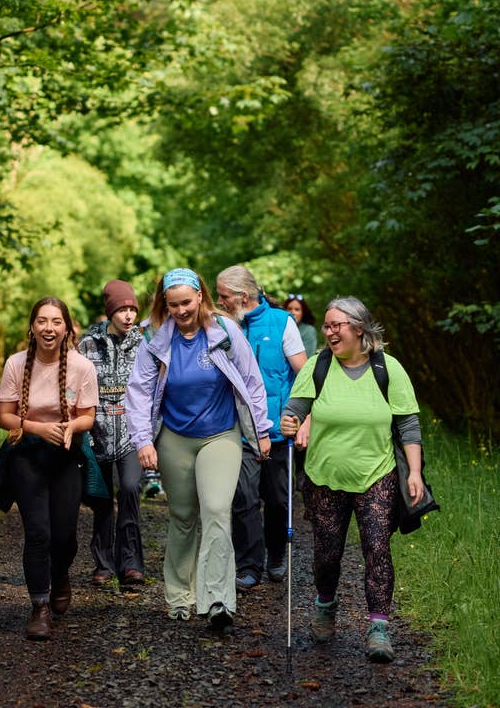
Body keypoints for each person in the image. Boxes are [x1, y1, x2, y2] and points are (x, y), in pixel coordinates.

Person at [125, 268, 271, 633]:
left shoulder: (225, 332)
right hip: (175, 437)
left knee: (218, 510)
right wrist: (143, 440)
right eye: (172, 305)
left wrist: (262, 430)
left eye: (186, 302)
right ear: (164, 304)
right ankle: (179, 596)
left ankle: (217, 599)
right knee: (183, 516)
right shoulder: (155, 337)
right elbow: (139, 391)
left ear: (201, 297)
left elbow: (252, 380)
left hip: (221, 435)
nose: (180, 310)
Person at [280, 296, 424, 663]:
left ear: (359, 329)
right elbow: (296, 408)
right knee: (328, 554)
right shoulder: (318, 366)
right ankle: (325, 606)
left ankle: (378, 627)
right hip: (325, 476)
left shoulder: (388, 369)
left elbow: (407, 424)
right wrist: (289, 420)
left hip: (378, 473)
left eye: (335, 326)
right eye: (325, 326)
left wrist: (416, 473)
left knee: (377, 548)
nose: (328, 332)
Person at [0, 297, 98, 641]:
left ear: (67, 328)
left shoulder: (82, 367)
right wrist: (37, 428)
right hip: (27, 454)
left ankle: (61, 571)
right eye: (42, 321)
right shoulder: (15, 364)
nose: (49, 328)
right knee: (38, 532)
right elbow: (4, 416)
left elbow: (88, 416)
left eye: (56, 322)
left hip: (67, 455)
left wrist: (70, 427)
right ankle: (39, 608)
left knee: (65, 535)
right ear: (32, 327)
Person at [216, 266, 307, 589]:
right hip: (238, 429)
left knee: (278, 499)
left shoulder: (282, 322)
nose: (219, 301)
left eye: (223, 295)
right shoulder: (222, 326)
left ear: (243, 296)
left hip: (277, 429)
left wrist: (303, 416)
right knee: (243, 497)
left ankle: (277, 553)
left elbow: (303, 372)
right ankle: (249, 564)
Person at [78, 280, 145, 588]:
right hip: (97, 433)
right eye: (122, 309)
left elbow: (151, 387)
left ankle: (131, 563)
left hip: (132, 434)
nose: (129, 315)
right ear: (110, 312)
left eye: (132, 309)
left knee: (130, 489)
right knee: (102, 499)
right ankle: (103, 563)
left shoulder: (144, 343)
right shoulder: (87, 344)